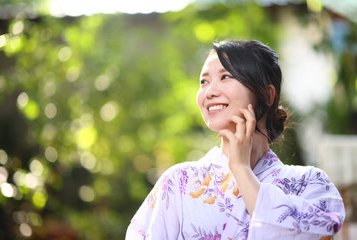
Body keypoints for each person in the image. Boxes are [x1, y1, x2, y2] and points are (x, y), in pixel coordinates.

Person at [126, 40, 345, 240]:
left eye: (226, 76)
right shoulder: (178, 183)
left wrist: (241, 169)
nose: (209, 92)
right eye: (203, 81)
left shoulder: (310, 183)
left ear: (268, 95)